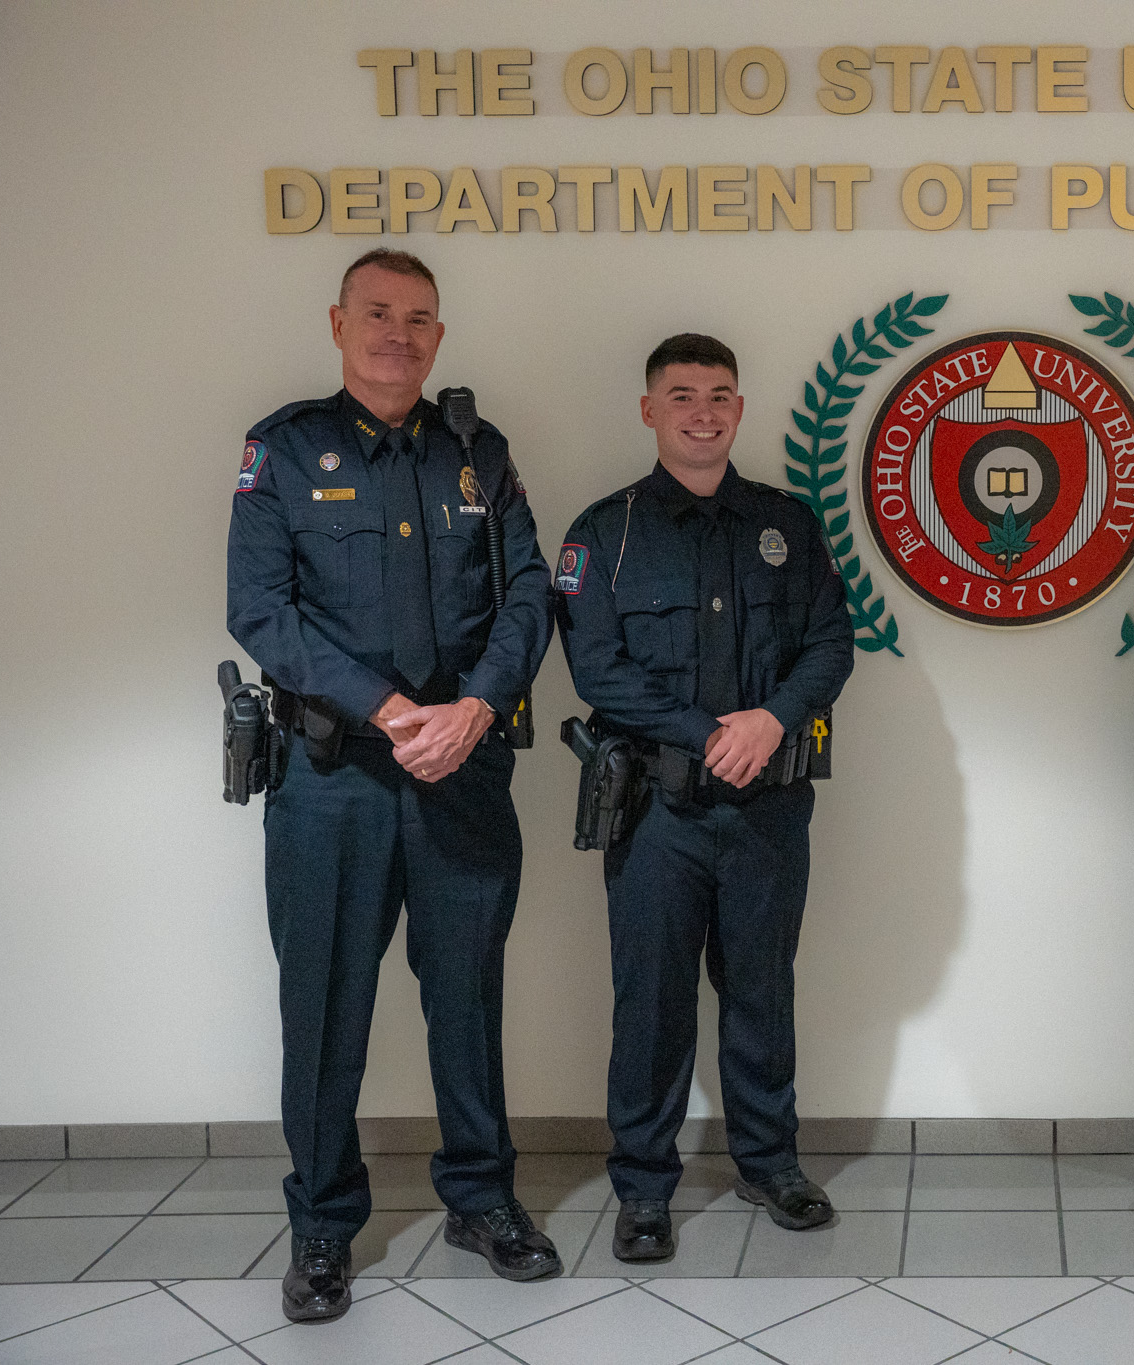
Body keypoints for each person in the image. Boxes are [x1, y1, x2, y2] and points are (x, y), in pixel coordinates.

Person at [226, 249, 558, 1321]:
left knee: (466, 997)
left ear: (439, 336)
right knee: (325, 1010)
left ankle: (480, 1197)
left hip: (462, 770)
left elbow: (526, 602)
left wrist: (473, 708)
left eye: (418, 318)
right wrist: (386, 706)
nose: (398, 335)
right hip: (332, 782)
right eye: (378, 314)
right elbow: (261, 610)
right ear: (337, 323)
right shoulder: (284, 450)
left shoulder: (477, 449)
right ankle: (323, 1229)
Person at [555, 333, 854, 1264]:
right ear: (649, 410)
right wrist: (708, 733)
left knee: (762, 991)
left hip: (768, 808)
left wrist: (770, 719)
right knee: (651, 1002)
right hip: (656, 814)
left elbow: (831, 643)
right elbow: (596, 670)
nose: (703, 412)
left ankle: (770, 1163)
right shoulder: (603, 534)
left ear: (738, 407)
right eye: (681, 395)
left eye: (720, 394)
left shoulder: (786, 522)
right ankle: (644, 1190)